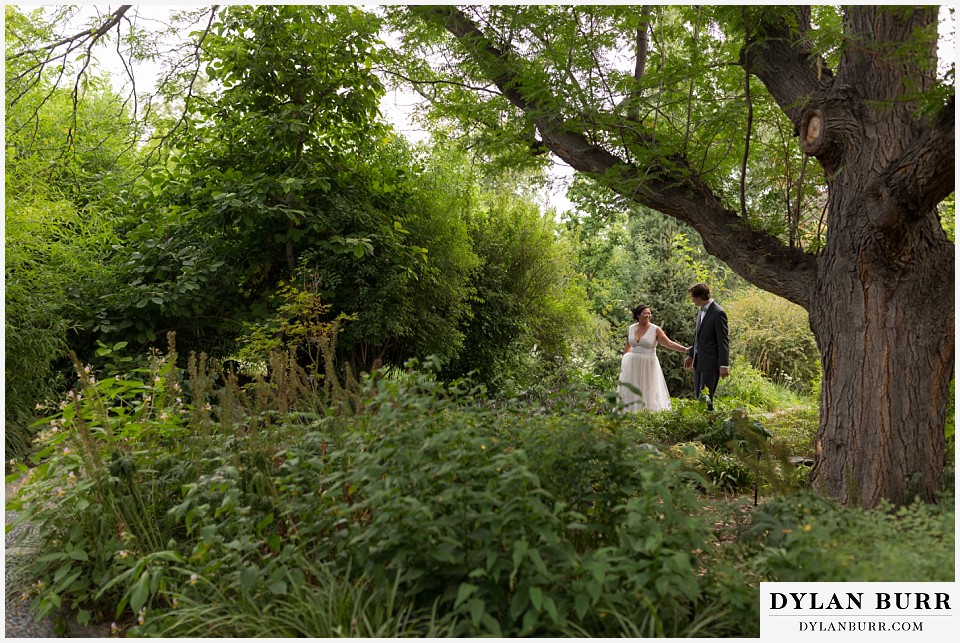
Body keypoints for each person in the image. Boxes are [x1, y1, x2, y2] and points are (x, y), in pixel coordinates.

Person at [617, 304, 689, 412]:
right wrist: (624, 362)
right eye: (645, 313)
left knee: (648, 389)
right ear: (638, 315)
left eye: (649, 313)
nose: (648, 315)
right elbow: (628, 345)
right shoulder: (631, 328)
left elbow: (669, 343)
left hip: (648, 364)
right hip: (632, 364)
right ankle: (631, 412)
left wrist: (686, 349)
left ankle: (648, 413)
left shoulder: (655, 329)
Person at [683, 283, 729, 411]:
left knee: (706, 398)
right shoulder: (701, 311)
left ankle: (710, 426)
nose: (692, 300)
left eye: (693, 297)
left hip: (711, 362)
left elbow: (723, 340)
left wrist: (724, 365)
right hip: (699, 361)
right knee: (699, 396)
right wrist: (691, 355)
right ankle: (701, 424)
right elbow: (697, 336)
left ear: (699, 297)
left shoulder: (718, 313)